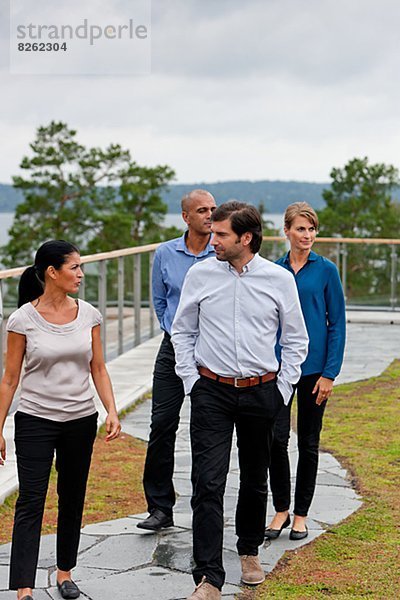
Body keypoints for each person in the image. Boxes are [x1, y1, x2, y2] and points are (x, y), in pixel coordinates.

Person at [171, 202, 309, 600]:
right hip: (210, 391)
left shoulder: (278, 279)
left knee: (254, 479)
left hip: (262, 391)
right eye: (212, 233)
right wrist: (190, 383)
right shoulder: (200, 274)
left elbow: (296, 338)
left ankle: (248, 550)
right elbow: (182, 331)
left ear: (245, 238)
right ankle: (209, 577)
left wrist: (282, 389)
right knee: (207, 483)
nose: (212, 240)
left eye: (221, 235)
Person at [0, 240, 121, 600]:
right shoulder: (22, 319)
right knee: (31, 500)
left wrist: (111, 410)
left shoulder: (89, 315)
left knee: (72, 497)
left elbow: (97, 367)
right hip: (35, 420)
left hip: (80, 420)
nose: (81, 274)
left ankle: (65, 573)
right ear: (52, 272)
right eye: (75, 267)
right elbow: (10, 379)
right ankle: (24, 588)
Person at [265, 202, 346, 542]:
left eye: (312, 229)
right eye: (301, 229)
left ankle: (300, 515)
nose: (308, 235)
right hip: (279, 368)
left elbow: (337, 323)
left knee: (309, 443)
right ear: (286, 231)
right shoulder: (273, 270)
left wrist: (330, 373)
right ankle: (281, 509)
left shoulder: (326, 270)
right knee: (275, 440)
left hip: (315, 370)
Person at [137, 189, 216, 531]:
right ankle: (159, 507)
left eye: (213, 209)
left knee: (206, 430)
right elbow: (159, 300)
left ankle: (204, 506)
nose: (210, 215)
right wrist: (173, 332)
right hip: (172, 348)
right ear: (186, 217)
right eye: (202, 210)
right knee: (162, 425)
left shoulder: (221, 251)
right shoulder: (165, 253)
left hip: (211, 350)